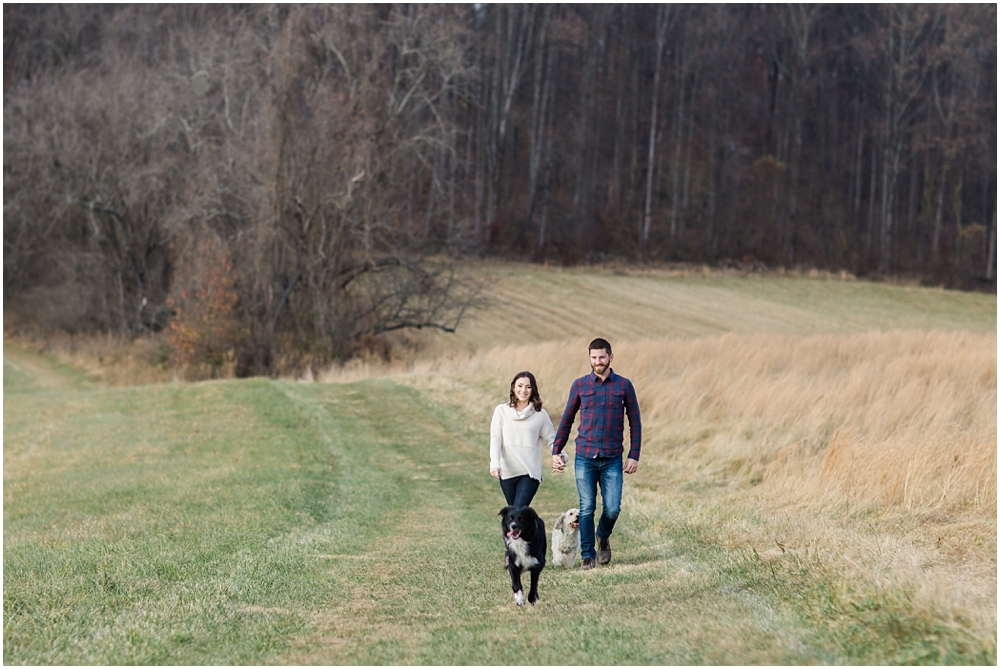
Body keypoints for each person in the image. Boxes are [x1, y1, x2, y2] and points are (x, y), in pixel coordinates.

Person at [551, 338, 641, 570]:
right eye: (593, 357)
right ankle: (588, 557)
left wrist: (634, 454)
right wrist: (556, 450)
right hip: (585, 456)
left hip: (612, 458)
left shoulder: (624, 386)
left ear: (611, 357)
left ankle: (603, 536)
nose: (597, 362)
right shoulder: (580, 385)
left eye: (601, 357)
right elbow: (567, 419)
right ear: (589, 358)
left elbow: (635, 422)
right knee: (587, 508)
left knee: (612, 508)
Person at [489, 371, 556, 509]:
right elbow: (496, 440)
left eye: (528, 387)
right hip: (507, 472)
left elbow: (551, 440)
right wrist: (495, 464)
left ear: (533, 390)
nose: (523, 390)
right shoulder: (501, 411)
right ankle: (529, 531)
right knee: (514, 515)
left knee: (518, 512)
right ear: (513, 388)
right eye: (520, 386)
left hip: (529, 473)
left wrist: (560, 456)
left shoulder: (540, 414)